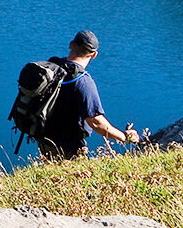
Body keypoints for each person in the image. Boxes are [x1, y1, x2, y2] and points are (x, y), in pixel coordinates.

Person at [38, 30, 142, 159]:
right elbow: (96, 122)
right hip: (69, 146)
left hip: (44, 139)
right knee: (72, 178)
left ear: (71, 45)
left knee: (52, 174)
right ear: (94, 55)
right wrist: (124, 137)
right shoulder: (83, 82)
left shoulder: (53, 67)